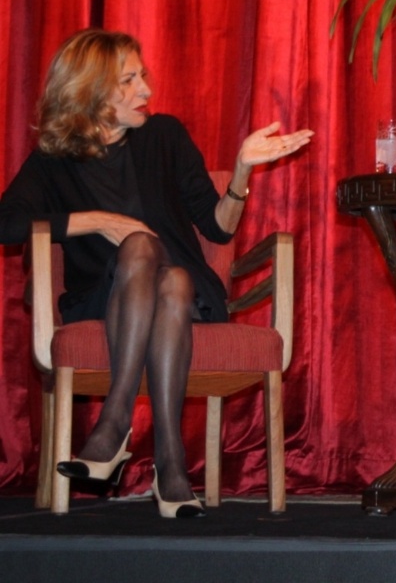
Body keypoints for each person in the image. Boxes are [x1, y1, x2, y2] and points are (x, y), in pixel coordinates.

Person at [0, 28, 314, 518]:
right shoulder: (53, 162)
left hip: (187, 297)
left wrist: (241, 171)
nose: (146, 89)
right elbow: (7, 223)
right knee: (146, 250)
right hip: (104, 298)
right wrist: (98, 221)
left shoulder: (165, 136)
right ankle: (171, 468)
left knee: (172, 275)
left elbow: (217, 227)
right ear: (93, 92)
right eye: (130, 80)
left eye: (142, 76)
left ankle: (112, 428)